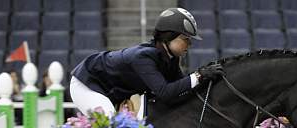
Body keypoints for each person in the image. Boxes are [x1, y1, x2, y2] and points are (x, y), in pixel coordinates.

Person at [70, 7, 225, 117]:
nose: (189, 44)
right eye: (185, 39)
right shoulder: (143, 57)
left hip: (107, 89)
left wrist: (204, 79)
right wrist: (199, 75)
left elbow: (181, 88)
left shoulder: (170, 58)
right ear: (168, 37)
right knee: (109, 121)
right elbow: (165, 93)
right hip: (87, 82)